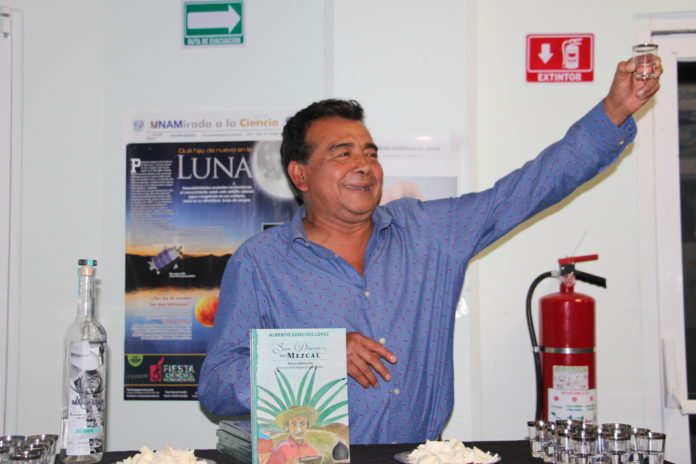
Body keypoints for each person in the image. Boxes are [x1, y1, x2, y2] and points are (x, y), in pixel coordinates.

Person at [199, 58, 661, 444]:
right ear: (300, 174)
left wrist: (613, 112)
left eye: (370, 153)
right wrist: (316, 357)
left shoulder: (427, 232)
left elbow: (527, 189)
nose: (364, 165)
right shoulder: (260, 262)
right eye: (342, 153)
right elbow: (217, 386)